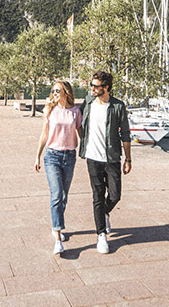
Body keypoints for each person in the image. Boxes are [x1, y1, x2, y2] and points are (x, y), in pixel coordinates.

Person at [79, 70, 131, 254]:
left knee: (115, 195)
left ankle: (104, 213)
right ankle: (101, 235)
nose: (92, 89)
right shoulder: (88, 102)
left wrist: (128, 159)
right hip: (92, 158)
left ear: (106, 87)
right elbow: (76, 120)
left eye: (96, 86)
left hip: (112, 158)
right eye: (91, 85)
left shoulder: (117, 106)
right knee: (97, 196)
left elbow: (125, 133)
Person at [34, 80, 82, 256]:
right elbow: (44, 134)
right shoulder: (49, 110)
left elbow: (80, 133)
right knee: (56, 194)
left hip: (69, 157)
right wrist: (37, 156)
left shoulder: (75, 112)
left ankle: (56, 225)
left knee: (63, 196)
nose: (54, 93)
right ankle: (58, 238)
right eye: (53, 90)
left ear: (66, 92)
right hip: (52, 156)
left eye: (57, 90)